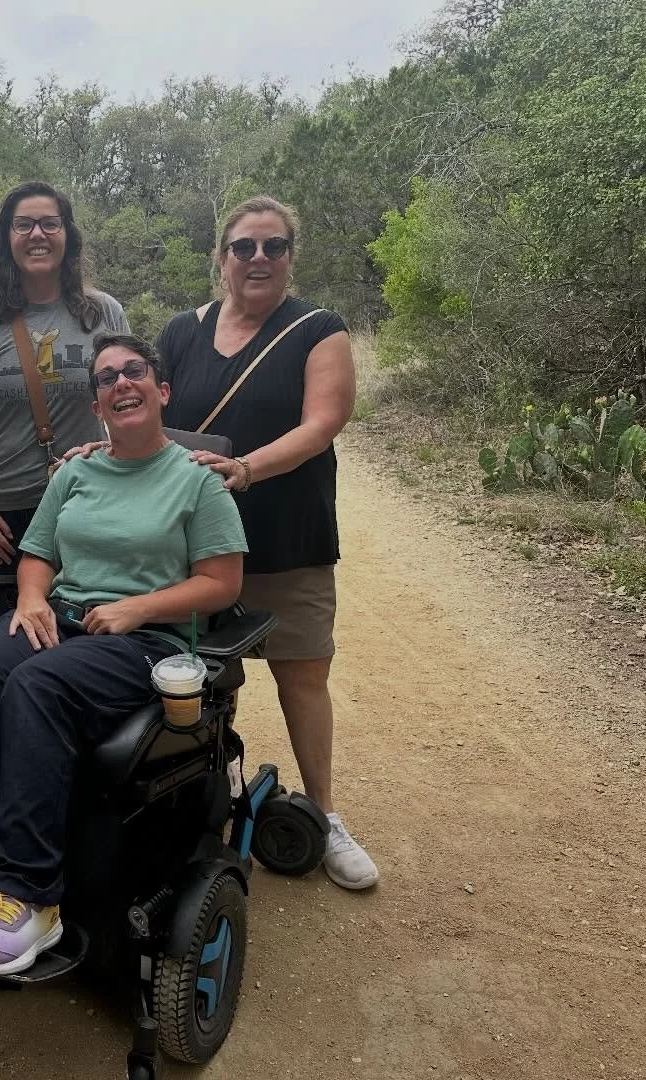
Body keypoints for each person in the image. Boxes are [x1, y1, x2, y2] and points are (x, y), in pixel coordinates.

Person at [0, 334, 248, 975]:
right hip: (60, 619)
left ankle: (30, 896)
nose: (121, 383)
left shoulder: (197, 480)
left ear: (161, 391)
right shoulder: (77, 472)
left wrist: (137, 608)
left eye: (134, 372)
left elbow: (222, 583)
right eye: (107, 378)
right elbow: (38, 556)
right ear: (97, 405)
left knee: (37, 687)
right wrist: (32, 599)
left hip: (144, 639)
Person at [156, 195, 379, 890]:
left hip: (287, 537)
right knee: (193, 677)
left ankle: (323, 812)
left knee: (302, 674)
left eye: (273, 247)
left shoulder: (319, 330)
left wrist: (247, 469)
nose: (258, 259)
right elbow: (145, 422)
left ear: (290, 257)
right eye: (244, 246)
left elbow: (324, 422)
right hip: (193, 545)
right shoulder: (178, 333)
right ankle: (197, 806)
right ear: (220, 257)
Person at [0, 181, 129, 576]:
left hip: (87, 499)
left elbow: (129, 406)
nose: (37, 234)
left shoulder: (103, 313)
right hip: (2, 513)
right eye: (23, 225)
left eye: (49, 224)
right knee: (5, 629)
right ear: (6, 238)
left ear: (67, 236)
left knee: (84, 627)